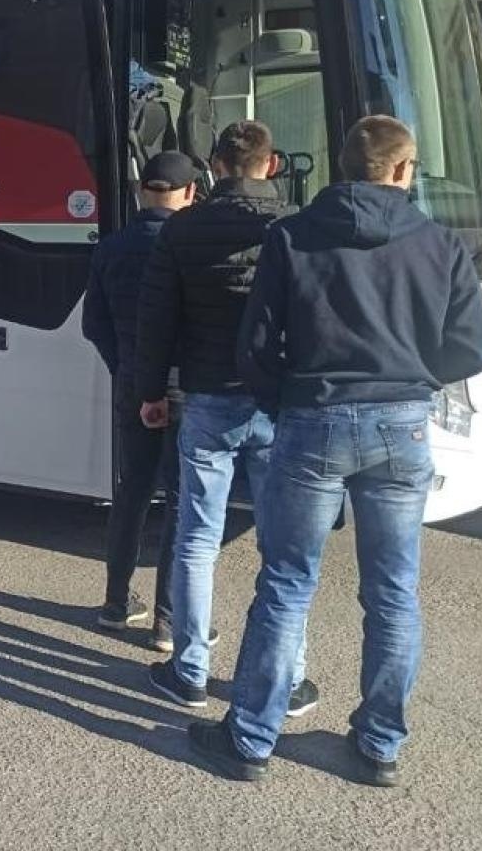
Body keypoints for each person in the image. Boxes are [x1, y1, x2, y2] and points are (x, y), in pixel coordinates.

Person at [189, 116, 482, 785]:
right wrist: (412, 377)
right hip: (403, 427)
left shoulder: (291, 237)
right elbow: (475, 347)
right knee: (392, 591)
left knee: (287, 583)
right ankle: (380, 744)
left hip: (312, 421)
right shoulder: (440, 246)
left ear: (341, 164)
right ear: (405, 170)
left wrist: (284, 401)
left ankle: (250, 740)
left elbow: (255, 346)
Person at [133, 120, 316, 712]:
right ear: (271, 164)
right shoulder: (295, 229)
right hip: (276, 400)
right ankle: (285, 681)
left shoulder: (182, 231)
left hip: (207, 397)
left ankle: (188, 670)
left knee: (196, 536)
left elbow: (156, 318)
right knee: (282, 545)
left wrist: (151, 389)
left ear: (215, 165)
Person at [82, 150, 197, 637]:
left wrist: (123, 367)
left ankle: (115, 601)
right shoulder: (191, 247)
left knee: (132, 490)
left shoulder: (111, 247)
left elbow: (94, 325)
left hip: (133, 386)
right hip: (184, 390)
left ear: (140, 192)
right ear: (190, 193)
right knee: (180, 500)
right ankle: (169, 621)